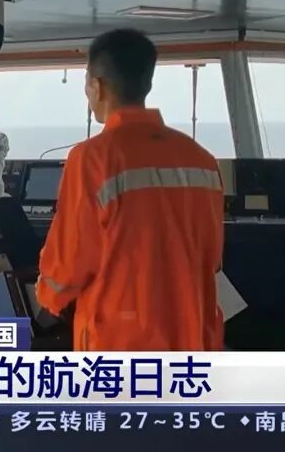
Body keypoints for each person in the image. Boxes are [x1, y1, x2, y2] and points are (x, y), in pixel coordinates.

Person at [35, 28, 225, 351]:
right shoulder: (202, 159)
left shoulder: (92, 159)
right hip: (192, 337)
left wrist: (46, 298)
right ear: (146, 84)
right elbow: (212, 256)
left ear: (97, 87)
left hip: (121, 343)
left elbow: (69, 263)